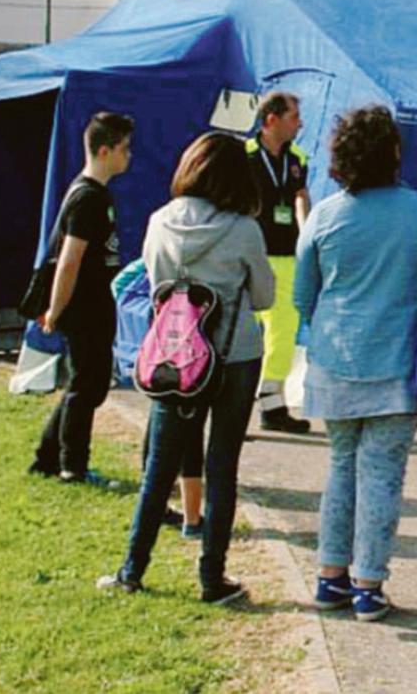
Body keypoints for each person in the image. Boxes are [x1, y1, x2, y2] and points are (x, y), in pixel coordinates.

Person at [297, 106, 417, 622]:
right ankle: (369, 584)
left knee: (341, 465)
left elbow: (305, 295)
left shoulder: (324, 214)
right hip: (402, 362)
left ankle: (330, 576)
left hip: (336, 359)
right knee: (383, 474)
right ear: (394, 151)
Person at [97, 132, 275, 604]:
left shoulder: (159, 221)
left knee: (160, 465)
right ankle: (212, 578)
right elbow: (264, 297)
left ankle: (132, 569)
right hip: (234, 355)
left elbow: (158, 286)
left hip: (174, 355)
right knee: (222, 465)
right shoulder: (243, 230)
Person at [29, 111, 134, 487]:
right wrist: (55, 309)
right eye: (124, 148)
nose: (129, 156)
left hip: (94, 300)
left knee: (87, 383)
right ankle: (72, 465)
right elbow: (69, 260)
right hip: (83, 304)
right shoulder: (87, 197)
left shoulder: (95, 193)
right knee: (86, 386)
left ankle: (47, 456)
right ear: (104, 150)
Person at [247, 91, 313, 434]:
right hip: (249, 257)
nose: (300, 123)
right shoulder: (242, 156)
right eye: (293, 117)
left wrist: (307, 234)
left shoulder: (297, 157)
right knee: (239, 335)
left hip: (287, 257)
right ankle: (232, 409)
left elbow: (301, 197)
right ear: (271, 119)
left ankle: (273, 404)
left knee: (283, 334)